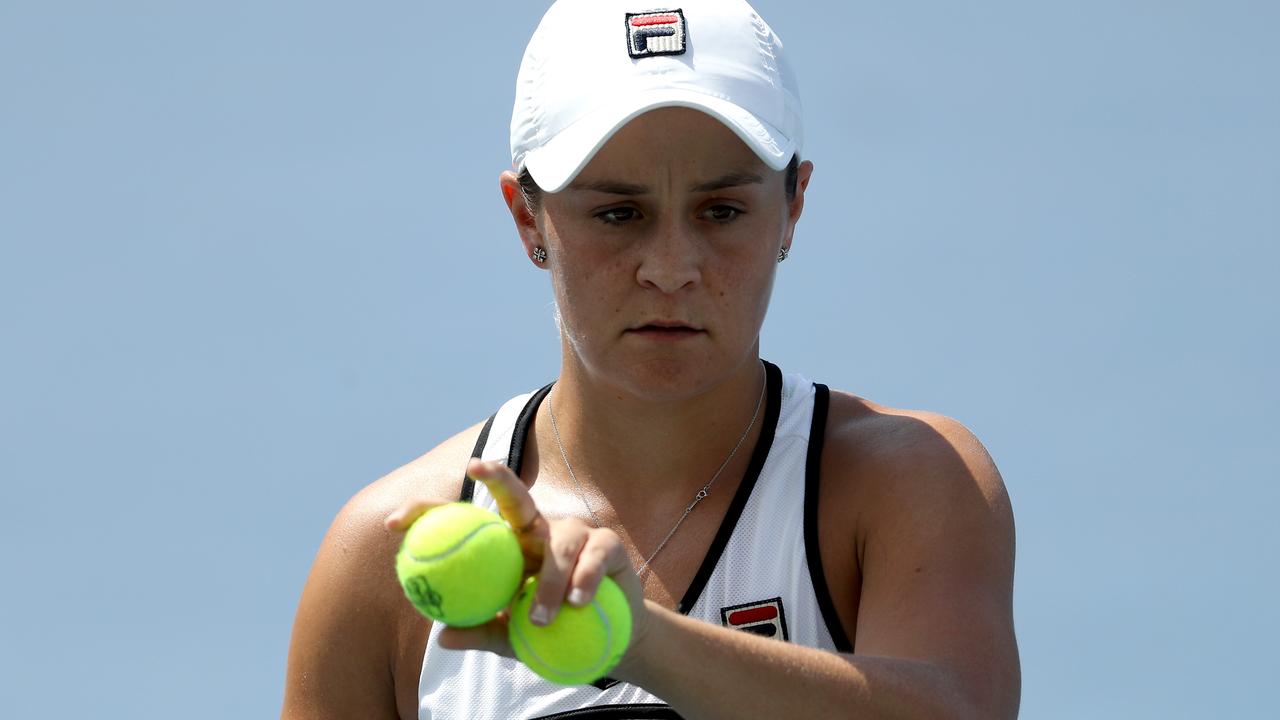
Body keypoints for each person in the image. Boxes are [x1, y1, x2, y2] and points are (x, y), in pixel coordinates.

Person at [282, 0, 1020, 718]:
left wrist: (639, 641)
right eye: (618, 213)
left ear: (793, 205)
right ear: (525, 218)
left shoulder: (909, 481)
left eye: (721, 211)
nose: (670, 267)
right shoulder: (377, 557)